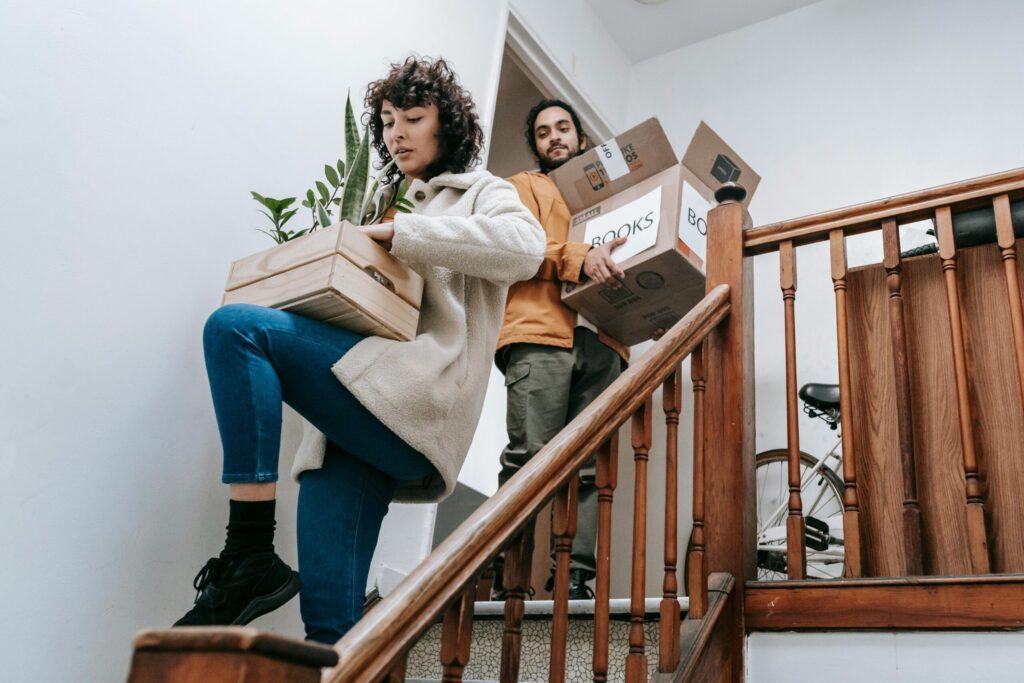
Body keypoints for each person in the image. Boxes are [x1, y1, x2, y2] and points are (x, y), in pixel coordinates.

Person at [172, 56, 546, 644]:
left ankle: (247, 551)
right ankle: (260, 574)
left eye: (413, 119)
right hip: (349, 417)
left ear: (446, 125)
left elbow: (527, 248)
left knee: (235, 329)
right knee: (329, 628)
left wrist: (404, 233)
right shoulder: (378, 201)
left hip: (413, 401)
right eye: (388, 121)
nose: (397, 133)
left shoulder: (480, 191)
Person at [494, 99, 629, 600]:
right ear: (536, 146)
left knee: (589, 468)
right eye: (544, 131)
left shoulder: (615, 195)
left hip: (604, 340)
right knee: (529, 458)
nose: (555, 137)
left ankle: (574, 579)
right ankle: (509, 579)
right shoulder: (520, 187)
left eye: (563, 127)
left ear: (581, 138)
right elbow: (516, 247)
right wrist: (580, 258)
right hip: (539, 334)